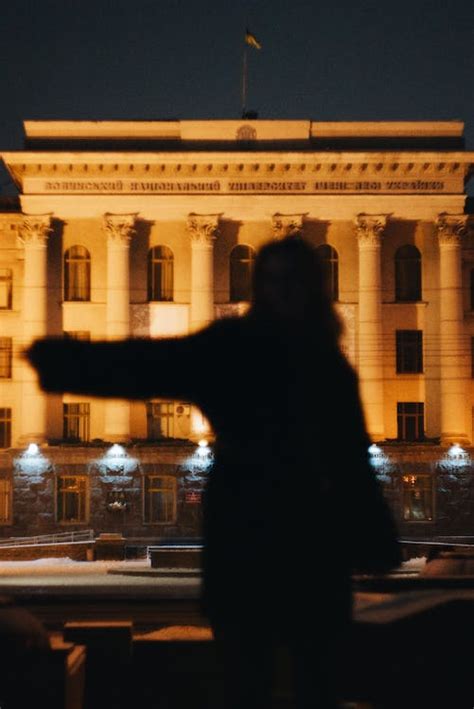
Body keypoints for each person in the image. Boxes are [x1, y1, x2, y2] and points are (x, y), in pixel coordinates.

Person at [27, 236, 401, 708]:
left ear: (313, 287)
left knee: (313, 679)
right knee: (254, 680)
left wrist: (374, 538)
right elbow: (149, 364)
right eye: (273, 279)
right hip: (250, 541)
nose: (284, 290)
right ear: (260, 287)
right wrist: (63, 363)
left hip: (303, 544)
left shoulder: (323, 362)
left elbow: (349, 459)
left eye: (294, 280)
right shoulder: (247, 349)